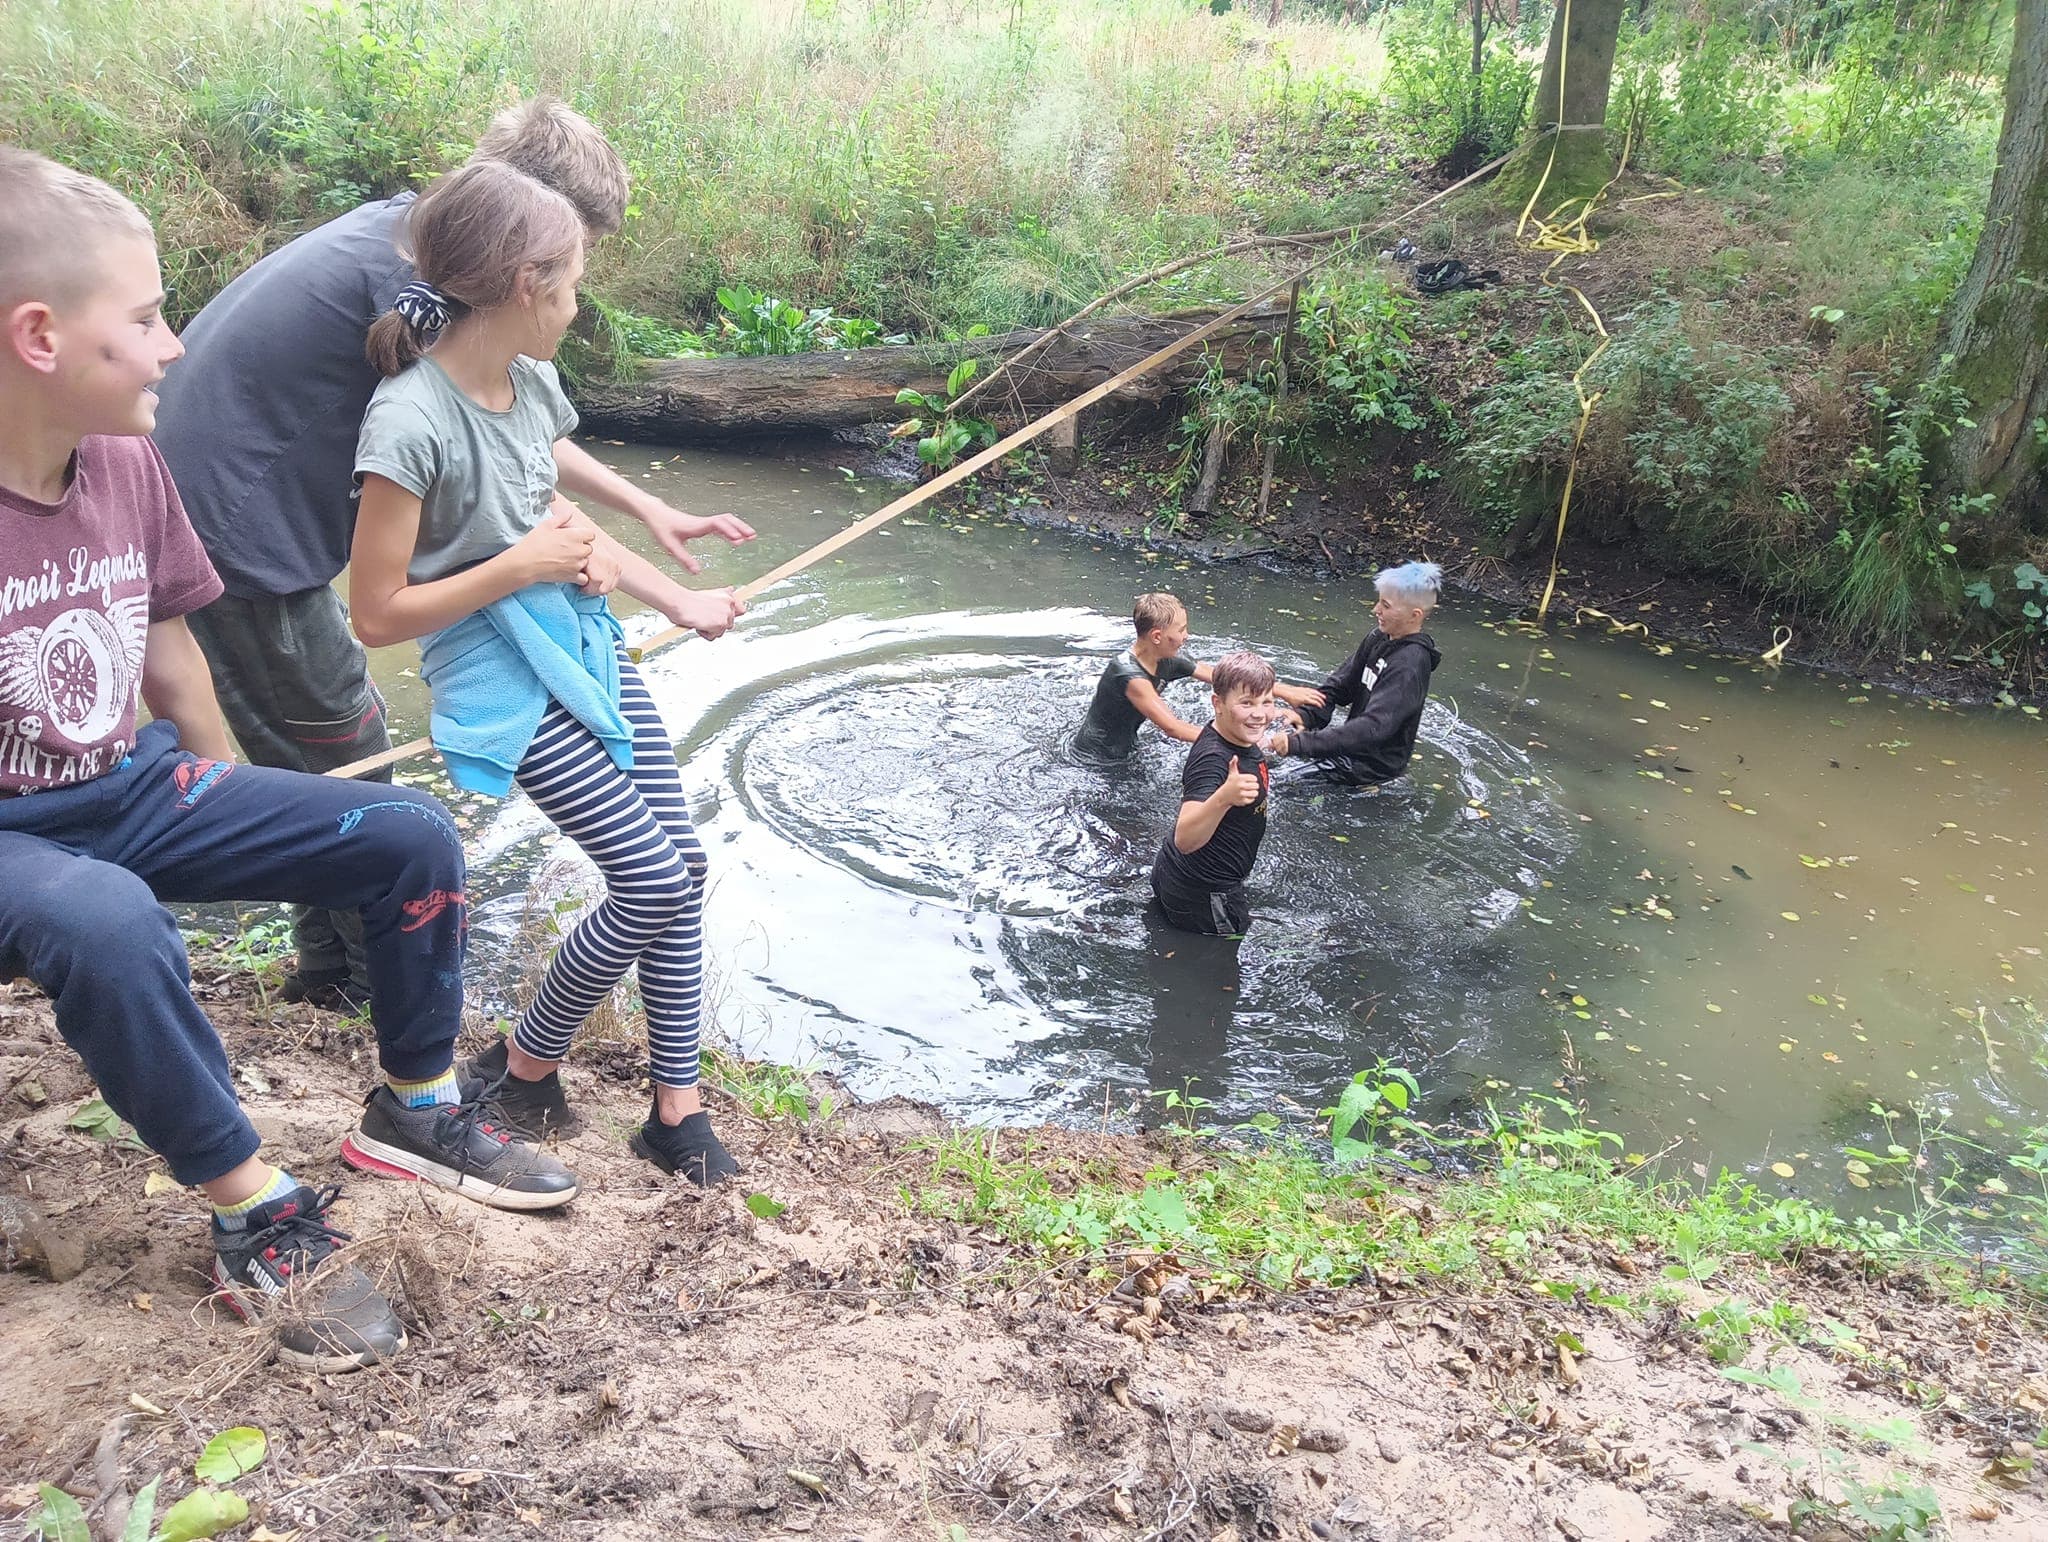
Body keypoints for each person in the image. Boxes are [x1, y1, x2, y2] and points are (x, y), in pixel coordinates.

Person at [0, 147, 577, 1371]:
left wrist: (229, 802)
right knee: (106, 920)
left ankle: (414, 1107)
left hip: (120, 788)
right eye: (151, 320)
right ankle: (251, 1211)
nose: (173, 348)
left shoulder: (123, 460)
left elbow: (167, 654)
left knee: (402, 832)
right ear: (40, 336)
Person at [151, 98, 756, 1014]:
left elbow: (505, 446)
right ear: (514, 244)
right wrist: (637, 578)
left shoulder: (409, 247)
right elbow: (489, 476)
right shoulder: (403, 294)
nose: (572, 283)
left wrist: (643, 509)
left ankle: (324, 970)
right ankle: (369, 989)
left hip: (239, 504)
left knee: (313, 754)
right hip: (231, 526)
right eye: (569, 253)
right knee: (343, 750)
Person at [345, 160, 747, 1186]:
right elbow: (376, 612)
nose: (578, 306)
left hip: (580, 645)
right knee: (651, 877)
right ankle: (523, 1065)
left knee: (682, 868)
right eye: (570, 285)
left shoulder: (528, 382)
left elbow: (564, 508)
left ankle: (674, 1107)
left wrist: (671, 585)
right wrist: (513, 566)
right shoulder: (407, 419)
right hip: (497, 679)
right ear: (526, 285)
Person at [1074, 592, 1318, 762]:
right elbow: (1173, 727)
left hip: (1126, 746)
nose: (1186, 636)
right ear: (1157, 636)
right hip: (1097, 758)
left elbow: (1225, 678)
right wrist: (1242, 741)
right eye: (1181, 630)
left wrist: (1285, 691)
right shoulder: (1129, 676)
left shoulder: (1165, 659)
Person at [1266, 561, 1443, 785]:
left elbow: (1372, 728)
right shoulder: (1379, 637)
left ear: (1414, 615)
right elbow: (1339, 687)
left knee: (1275, 785)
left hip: (1370, 769)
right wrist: (1305, 716)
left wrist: (1298, 744)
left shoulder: (1410, 665)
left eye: (1386, 606)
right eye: (1379, 601)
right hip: (1348, 750)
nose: (1376, 610)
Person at [1149, 651, 1278, 936]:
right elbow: (1185, 838)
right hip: (1204, 897)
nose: (1259, 714)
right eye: (1246, 703)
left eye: (1266, 702)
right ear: (1217, 703)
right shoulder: (1214, 759)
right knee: (1220, 968)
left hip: (1179, 877)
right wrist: (1223, 798)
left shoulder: (1233, 736)